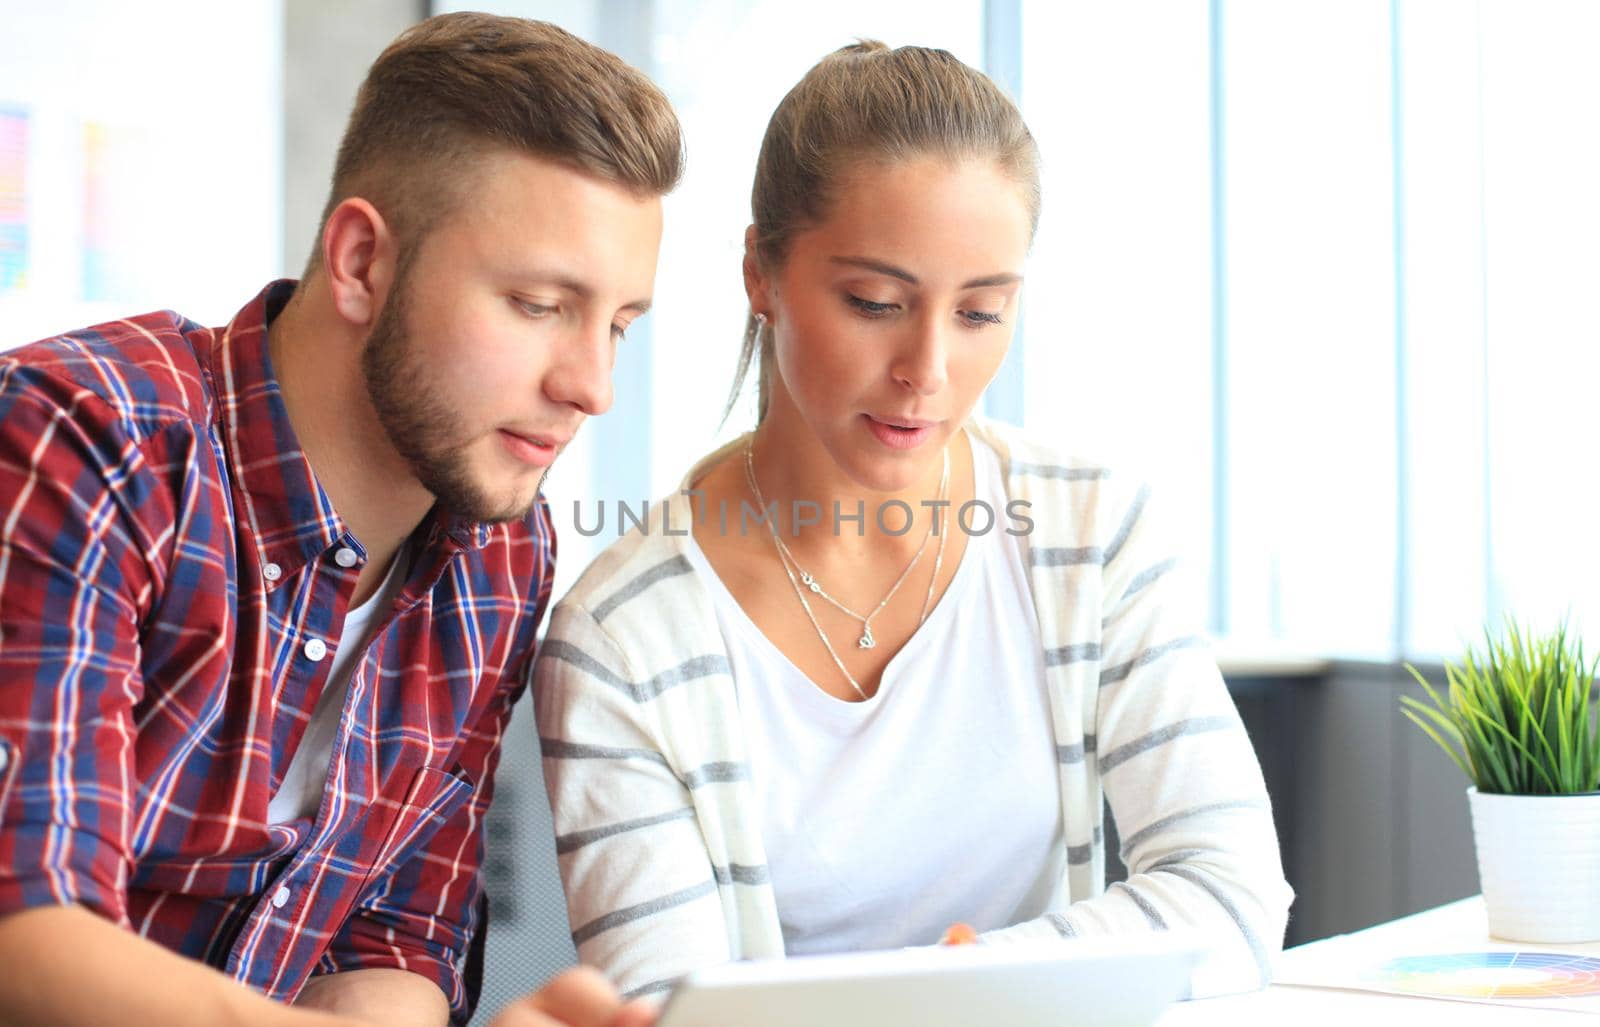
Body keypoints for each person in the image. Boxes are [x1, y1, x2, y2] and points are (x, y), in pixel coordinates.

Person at [534, 40, 1294, 1003]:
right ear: (761, 275)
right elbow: (669, 1011)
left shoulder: (1087, 534)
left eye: (979, 313)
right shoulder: (621, 639)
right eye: (876, 302)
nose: (928, 369)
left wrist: (960, 981)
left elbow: (1233, 898)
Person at [0, 13, 678, 1027]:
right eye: (539, 304)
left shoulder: (501, 546)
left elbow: (395, 939)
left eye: (618, 325)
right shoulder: (85, 435)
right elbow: (28, 929)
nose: (592, 386)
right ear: (361, 260)